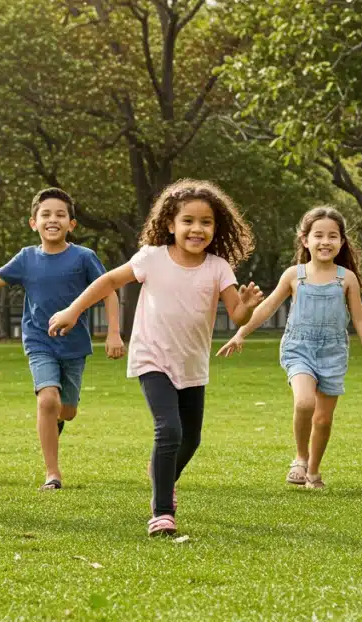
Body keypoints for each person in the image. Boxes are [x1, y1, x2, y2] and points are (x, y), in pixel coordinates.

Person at [48, 180, 263, 537]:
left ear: (216, 227)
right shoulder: (152, 258)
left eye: (206, 222)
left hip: (192, 363)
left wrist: (247, 306)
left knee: (191, 440)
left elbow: (237, 315)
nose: (197, 229)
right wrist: (73, 310)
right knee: (169, 430)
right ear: (170, 224)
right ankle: (163, 512)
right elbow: (108, 282)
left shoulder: (218, 267)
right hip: (152, 358)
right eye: (188, 221)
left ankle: (162, 475)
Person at [0, 187, 124, 491]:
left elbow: (109, 293)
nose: (53, 219)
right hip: (39, 341)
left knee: (67, 411)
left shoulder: (84, 257)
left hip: (74, 345)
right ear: (33, 223)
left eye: (60, 215)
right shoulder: (26, 258)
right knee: (47, 400)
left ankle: (56, 420)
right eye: (45, 214)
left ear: (71, 224)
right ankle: (52, 473)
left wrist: (114, 333)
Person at [216, 206, 362, 490]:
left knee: (322, 420)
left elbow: (360, 318)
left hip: (333, 352)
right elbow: (268, 307)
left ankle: (313, 471)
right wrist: (241, 333)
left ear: (342, 242)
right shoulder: (293, 275)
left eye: (332, 236)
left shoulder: (346, 278)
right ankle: (300, 458)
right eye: (318, 235)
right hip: (299, 348)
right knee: (305, 403)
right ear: (305, 240)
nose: (325, 241)